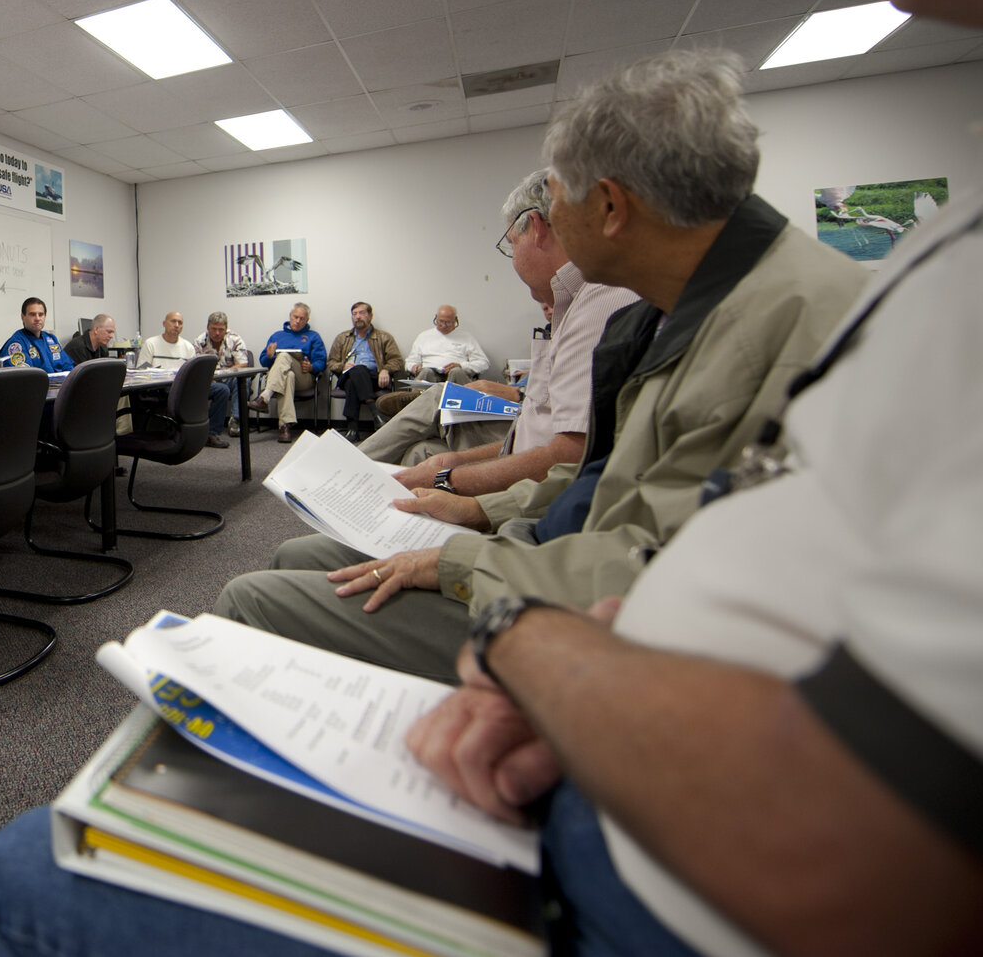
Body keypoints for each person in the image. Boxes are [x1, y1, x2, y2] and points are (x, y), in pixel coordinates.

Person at [0, 0, 983, 950]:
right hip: (604, 717)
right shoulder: (759, 305)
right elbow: (661, 534)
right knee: (341, 514)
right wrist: (532, 606)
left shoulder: (812, 314)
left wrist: (523, 630)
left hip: (641, 818)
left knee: (22, 869)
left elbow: (845, 804)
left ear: (604, 204)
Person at [217, 51, 867, 683]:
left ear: (609, 209)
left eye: (555, 204)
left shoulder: (767, 331)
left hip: (609, 626)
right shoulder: (682, 310)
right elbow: (607, 488)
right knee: (294, 565)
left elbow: (669, 572)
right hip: (559, 555)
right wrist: (483, 515)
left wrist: (468, 550)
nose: (546, 230)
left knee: (252, 598)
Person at [360, 170, 639, 496]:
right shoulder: (575, 302)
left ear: (535, 227)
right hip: (511, 433)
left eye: (511, 245)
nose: (512, 258)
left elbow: (567, 454)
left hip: (530, 481)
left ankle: (345, 472)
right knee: (419, 454)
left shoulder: (597, 305)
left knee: (444, 398)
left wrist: (448, 477)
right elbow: (537, 426)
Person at [134, 309, 230, 448]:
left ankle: (211, 434)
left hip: (185, 386)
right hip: (161, 386)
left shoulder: (187, 347)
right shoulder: (151, 344)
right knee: (171, 389)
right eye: (173, 321)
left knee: (222, 390)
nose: (177, 325)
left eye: (180, 322)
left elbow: (193, 372)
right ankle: (175, 429)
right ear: (164, 324)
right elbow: (141, 371)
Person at [245, 303, 325, 444]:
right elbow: (264, 361)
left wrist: (311, 367)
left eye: (302, 319)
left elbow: (322, 361)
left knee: (283, 356)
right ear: (290, 316)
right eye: (295, 317)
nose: (298, 321)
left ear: (307, 321)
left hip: (304, 378)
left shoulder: (313, 337)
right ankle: (285, 427)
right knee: (288, 376)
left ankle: (265, 396)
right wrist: (269, 356)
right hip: (282, 379)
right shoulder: (277, 336)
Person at [326, 301, 402, 441]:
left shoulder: (384, 337)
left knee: (354, 380)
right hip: (347, 375)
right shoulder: (342, 338)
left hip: (375, 378)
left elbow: (397, 361)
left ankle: (352, 429)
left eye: (361, 313)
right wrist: (342, 366)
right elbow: (331, 362)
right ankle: (376, 414)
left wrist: (385, 369)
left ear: (370, 316)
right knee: (356, 371)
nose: (357, 317)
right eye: (354, 314)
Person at [195, 311, 251, 434]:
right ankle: (209, 428)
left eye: (221, 330)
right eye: (213, 329)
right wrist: (208, 377)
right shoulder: (200, 342)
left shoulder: (235, 339)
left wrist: (224, 373)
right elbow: (196, 367)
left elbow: (243, 364)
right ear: (207, 327)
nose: (217, 333)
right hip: (209, 380)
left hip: (229, 377)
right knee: (215, 388)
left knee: (244, 379)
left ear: (226, 329)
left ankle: (236, 420)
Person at [404, 306, 490, 384]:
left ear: (455, 320)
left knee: (456, 371)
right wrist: (414, 367)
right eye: (441, 321)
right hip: (430, 375)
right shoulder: (423, 336)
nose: (444, 325)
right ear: (436, 318)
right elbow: (410, 362)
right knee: (426, 372)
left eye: (448, 322)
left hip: (456, 377)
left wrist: (462, 366)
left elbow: (483, 363)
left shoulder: (467, 338)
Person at [1, 296, 74, 371]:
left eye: (41, 314)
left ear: (45, 316)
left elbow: (68, 366)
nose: (37, 318)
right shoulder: (17, 344)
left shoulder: (51, 339)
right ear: (22, 317)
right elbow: (24, 376)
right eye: (32, 314)